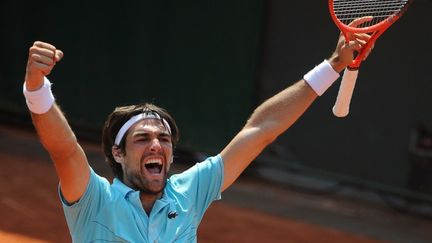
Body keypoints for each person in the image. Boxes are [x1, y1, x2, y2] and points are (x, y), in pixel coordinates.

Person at [23, 18, 372, 242]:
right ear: (117, 152)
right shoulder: (93, 200)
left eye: (164, 139)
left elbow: (263, 127)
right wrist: (36, 88)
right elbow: (64, 148)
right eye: (142, 138)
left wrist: (333, 66)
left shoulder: (189, 192)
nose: (157, 145)